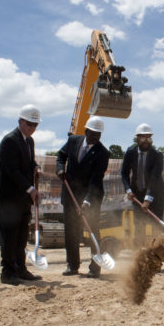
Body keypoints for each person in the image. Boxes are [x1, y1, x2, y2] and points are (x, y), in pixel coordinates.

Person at [0, 104, 43, 285]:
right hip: (9, 198)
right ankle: (7, 272)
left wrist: (36, 167)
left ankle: (21, 269)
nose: (32, 128)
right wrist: (30, 189)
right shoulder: (9, 141)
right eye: (29, 124)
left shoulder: (29, 141)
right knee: (9, 236)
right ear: (20, 121)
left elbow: (29, 162)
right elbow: (11, 170)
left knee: (22, 236)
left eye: (35, 125)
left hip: (23, 199)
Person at [56, 116, 110, 278]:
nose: (96, 137)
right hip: (70, 194)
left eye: (99, 134)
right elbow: (61, 155)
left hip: (91, 197)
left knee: (93, 231)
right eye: (93, 133)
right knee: (71, 231)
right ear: (86, 131)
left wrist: (87, 201)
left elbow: (95, 180)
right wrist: (60, 169)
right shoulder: (73, 141)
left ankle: (95, 268)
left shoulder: (102, 153)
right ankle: (72, 265)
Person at [121, 123, 164, 247]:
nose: (146, 141)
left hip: (156, 197)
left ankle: (155, 260)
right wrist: (128, 190)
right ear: (137, 139)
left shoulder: (157, 155)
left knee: (155, 230)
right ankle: (140, 259)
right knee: (139, 228)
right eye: (143, 138)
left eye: (149, 138)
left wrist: (148, 199)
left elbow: (154, 178)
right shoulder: (130, 152)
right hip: (137, 197)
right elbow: (124, 173)